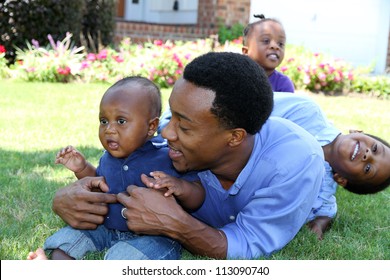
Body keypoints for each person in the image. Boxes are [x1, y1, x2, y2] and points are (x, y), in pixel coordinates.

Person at [50, 52, 325, 259]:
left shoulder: (294, 163)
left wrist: (176, 225)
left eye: (183, 125)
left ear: (234, 137)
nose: (166, 132)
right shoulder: (178, 132)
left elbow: (247, 243)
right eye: (171, 116)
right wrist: (65, 197)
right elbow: (120, 161)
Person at [27, 76, 203, 260]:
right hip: (106, 228)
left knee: (128, 257)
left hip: (154, 236)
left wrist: (180, 187)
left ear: (151, 126)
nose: (109, 129)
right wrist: (81, 168)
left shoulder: (166, 155)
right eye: (104, 121)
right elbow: (100, 187)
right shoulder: (108, 158)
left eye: (121, 121)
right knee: (71, 238)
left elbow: (198, 197)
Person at [271, 92, 390, 239]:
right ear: (358, 131)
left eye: (367, 169)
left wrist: (321, 222)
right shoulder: (307, 112)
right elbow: (253, 105)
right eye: (375, 149)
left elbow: (327, 208)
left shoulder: (321, 184)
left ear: (341, 179)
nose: (368, 155)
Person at [242, 14, 295, 93]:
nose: (275, 46)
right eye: (266, 41)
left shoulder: (283, 84)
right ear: (246, 52)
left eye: (280, 44)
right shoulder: (238, 78)